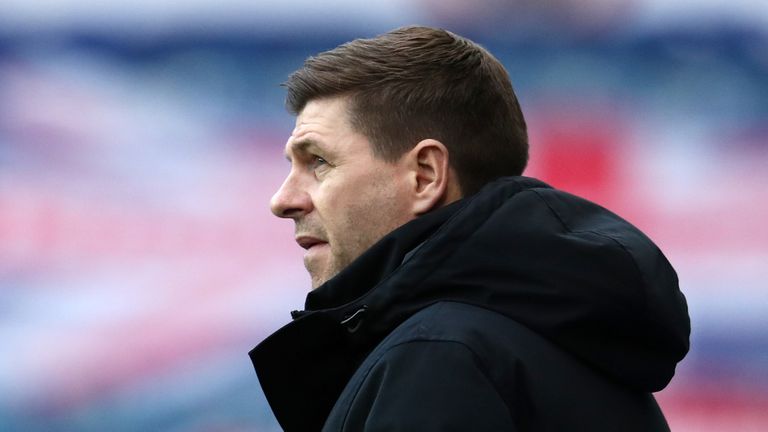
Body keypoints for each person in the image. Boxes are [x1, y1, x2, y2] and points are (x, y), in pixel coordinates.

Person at [250, 26, 690, 431]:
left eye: (319, 162)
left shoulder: (440, 355)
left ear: (425, 175)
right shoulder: (542, 342)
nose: (282, 201)